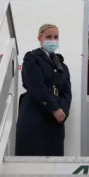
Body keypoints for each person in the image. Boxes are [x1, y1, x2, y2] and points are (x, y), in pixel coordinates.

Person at [15, 24, 72, 156]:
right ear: (39, 38)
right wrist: (54, 108)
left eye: (56, 37)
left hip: (56, 121)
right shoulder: (32, 58)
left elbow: (66, 92)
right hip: (35, 116)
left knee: (54, 160)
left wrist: (63, 111)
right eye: (49, 37)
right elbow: (35, 86)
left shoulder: (62, 65)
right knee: (33, 158)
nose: (53, 40)